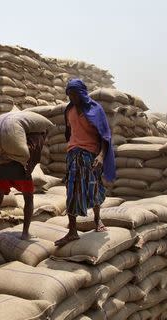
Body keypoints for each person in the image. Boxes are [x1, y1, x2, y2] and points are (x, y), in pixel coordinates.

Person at [54, 79, 116, 247]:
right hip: (73, 154)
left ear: (81, 93)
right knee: (72, 189)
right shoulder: (69, 110)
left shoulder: (96, 110)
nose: (71, 98)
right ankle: (73, 231)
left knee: (93, 187)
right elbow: (70, 132)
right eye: (69, 95)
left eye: (74, 94)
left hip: (91, 155)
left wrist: (101, 156)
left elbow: (105, 135)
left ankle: (97, 219)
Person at [0, 131, 47, 249]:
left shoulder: (10, 134)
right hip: (20, 170)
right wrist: (28, 170)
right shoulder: (37, 136)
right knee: (29, 199)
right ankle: (25, 233)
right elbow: (34, 157)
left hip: (2, 169)